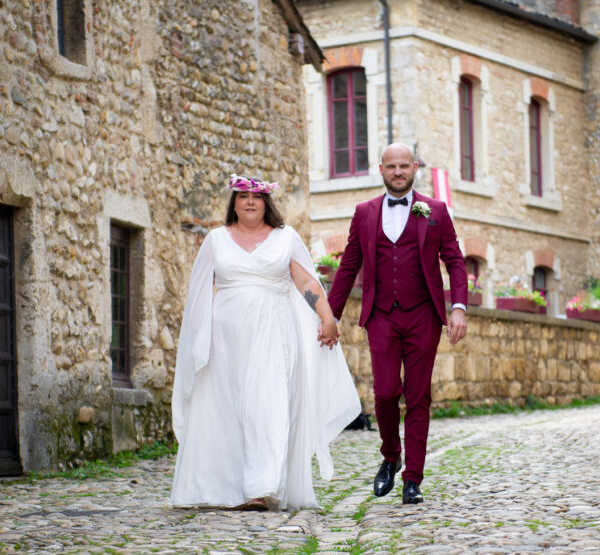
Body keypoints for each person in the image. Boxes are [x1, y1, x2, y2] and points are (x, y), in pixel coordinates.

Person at [171, 175, 361, 511]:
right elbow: (198, 294)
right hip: (225, 340)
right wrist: (199, 342)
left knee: (268, 404)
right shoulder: (215, 240)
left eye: (256, 197)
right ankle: (224, 486)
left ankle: (261, 488)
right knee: (225, 408)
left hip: (274, 334)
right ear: (234, 203)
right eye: (242, 196)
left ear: (266, 203)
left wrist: (327, 317)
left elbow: (307, 282)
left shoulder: (285, 238)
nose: (249, 202)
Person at [327, 143, 468, 505]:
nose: (398, 171)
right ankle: (391, 455)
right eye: (391, 166)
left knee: (419, 396)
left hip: (423, 315)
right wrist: (330, 315)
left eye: (404, 165)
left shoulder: (435, 211)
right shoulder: (364, 213)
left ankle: (412, 479)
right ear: (381, 169)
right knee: (386, 391)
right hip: (381, 316)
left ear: (414, 168)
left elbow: (455, 261)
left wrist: (458, 307)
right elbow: (349, 266)